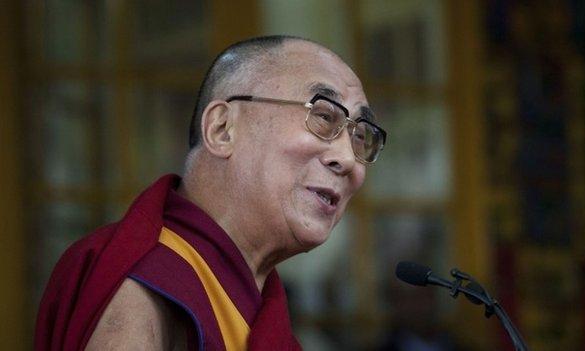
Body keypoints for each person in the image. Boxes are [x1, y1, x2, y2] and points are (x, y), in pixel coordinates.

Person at [35, 35, 386, 351]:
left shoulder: (255, 303)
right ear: (221, 129)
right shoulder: (147, 283)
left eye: (360, 136)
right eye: (324, 116)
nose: (348, 160)